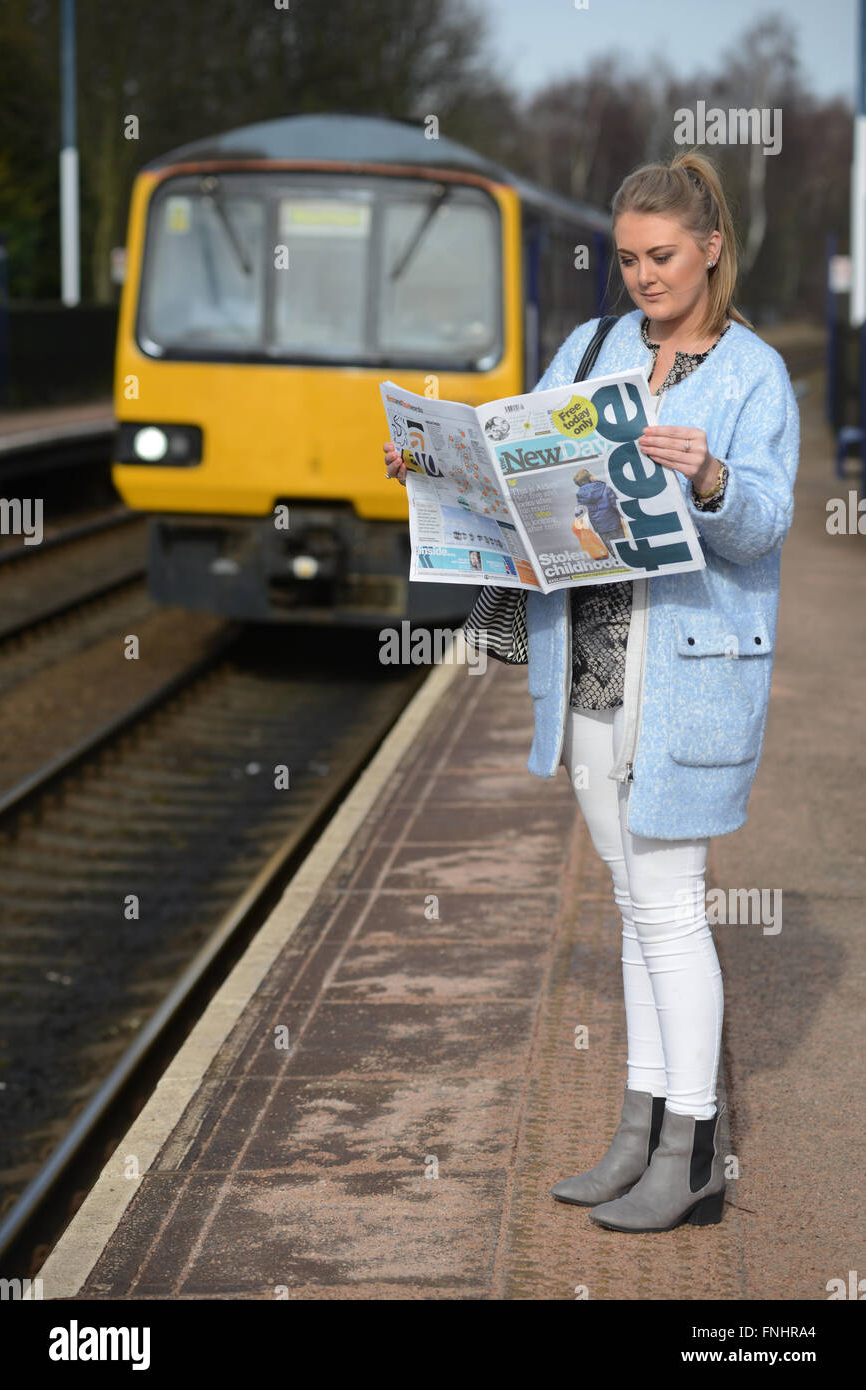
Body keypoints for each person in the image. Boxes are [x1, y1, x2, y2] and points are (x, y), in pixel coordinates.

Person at [383, 147, 800, 1234]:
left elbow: (762, 522)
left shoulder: (755, 373)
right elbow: (528, 470)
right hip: (592, 670)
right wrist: (444, 468)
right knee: (631, 908)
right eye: (627, 259)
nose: (644, 277)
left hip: (690, 686)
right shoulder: (593, 344)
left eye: (663, 256)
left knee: (669, 908)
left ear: (711, 248)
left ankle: (695, 1146)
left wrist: (707, 478)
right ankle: (639, 1124)